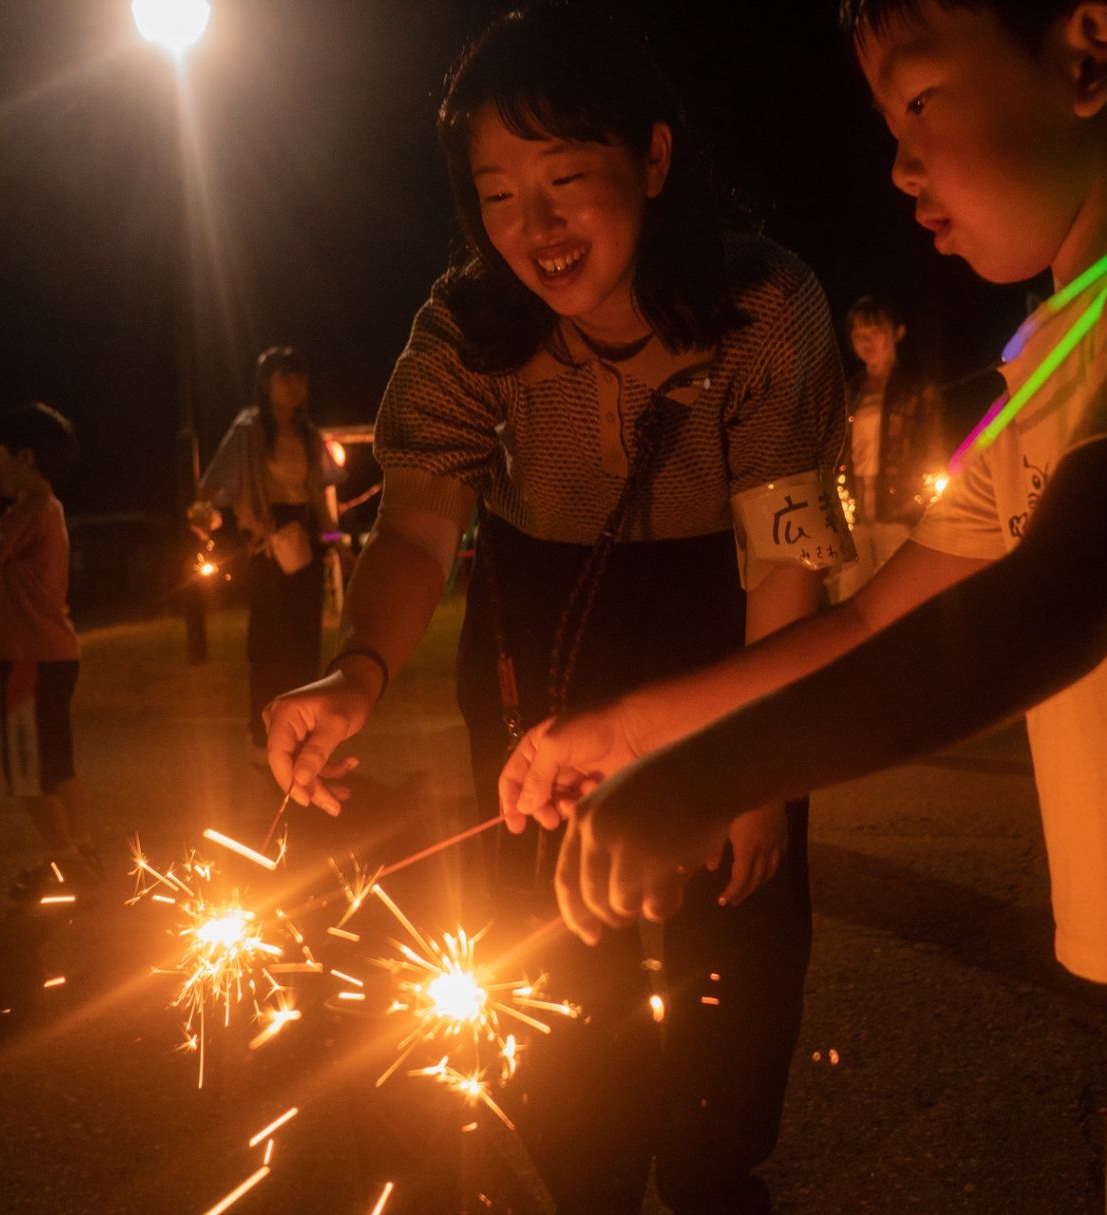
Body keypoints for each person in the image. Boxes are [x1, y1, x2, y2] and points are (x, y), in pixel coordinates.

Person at [502, 2, 1107, 1211]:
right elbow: (876, 619)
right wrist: (633, 730)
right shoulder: (1054, 358)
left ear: (1090, 57)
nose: (898, 161)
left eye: (919, 102)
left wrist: (711, 780)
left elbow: (1046, 614)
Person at [263, 7, 849, 1210]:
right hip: (541, 648)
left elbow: (786, 560)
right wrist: (357, 669)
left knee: (726, 973)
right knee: (552, 986)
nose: (534, 230)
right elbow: (420, 524)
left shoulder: (767, 314)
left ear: (655, 157)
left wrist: (757, 773)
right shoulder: (467, 331)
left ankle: (711, 1173)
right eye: (496, 194)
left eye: (567, 180)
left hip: (724, 630)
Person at [0, 403, 95, 898]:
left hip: (30, 662)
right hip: (49, 652)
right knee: (57, 764)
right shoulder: (50, 508)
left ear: (25, 457)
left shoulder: (29, 509)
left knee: (25, 772)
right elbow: (24, 587)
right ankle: (81, 850)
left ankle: (67, 863)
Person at [191, 345, 342, 755]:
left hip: (305, 540)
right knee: (268, 641)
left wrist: (336, 544)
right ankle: (263, 727)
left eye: (300, 379)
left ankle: (302, 730)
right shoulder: (249, 430)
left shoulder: (310, 436)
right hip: (265, 540)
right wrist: (208, 512)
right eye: (285, 378)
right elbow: (215, 485)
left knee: (304, 640)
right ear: (266, 385)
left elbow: (322, 497)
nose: (295, 387)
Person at [840, 294, 943, 589]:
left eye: (875, 331)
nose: (866, 341)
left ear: (897, 333)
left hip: (899, 509)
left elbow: (932, 447)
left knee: (897, 592)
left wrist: (923, 502)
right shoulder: (851, 391)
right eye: (859, 334)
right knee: (849, 594)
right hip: (854, 511)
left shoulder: (915, 389)